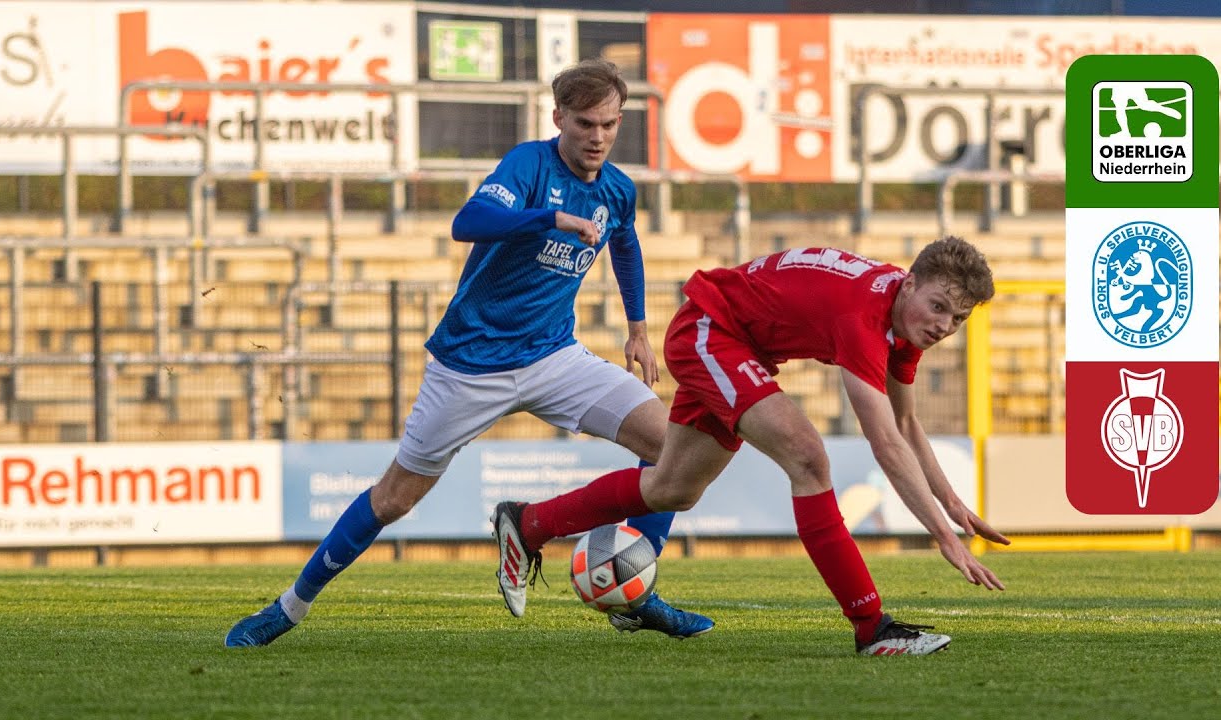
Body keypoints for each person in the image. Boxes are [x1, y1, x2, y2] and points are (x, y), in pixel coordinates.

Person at [225, 59, 713, 647]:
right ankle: (288, 608)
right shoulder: (528, 165)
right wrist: (549, 218)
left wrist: (637, 327)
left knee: (671, 447)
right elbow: (468, 221)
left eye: (609, 124)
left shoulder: (617, 188)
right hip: (470, 366)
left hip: (554, 356)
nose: (598, 137)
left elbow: (626, 242)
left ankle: (632, 591)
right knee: (393, 499)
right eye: (585, 123)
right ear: (558, 118)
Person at [493, 237, 1012, 656]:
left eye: (958, 319)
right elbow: (887, 445)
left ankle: (528, 523)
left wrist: (953, 507)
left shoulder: (903, 321)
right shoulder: (864, 318)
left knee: (672, 489)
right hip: (711, 332)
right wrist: (943, 537)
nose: (944, 326)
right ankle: (872, 626)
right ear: (909, 283)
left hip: (732, 341)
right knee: (808, 458)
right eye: (939, 307)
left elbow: (905, 422)